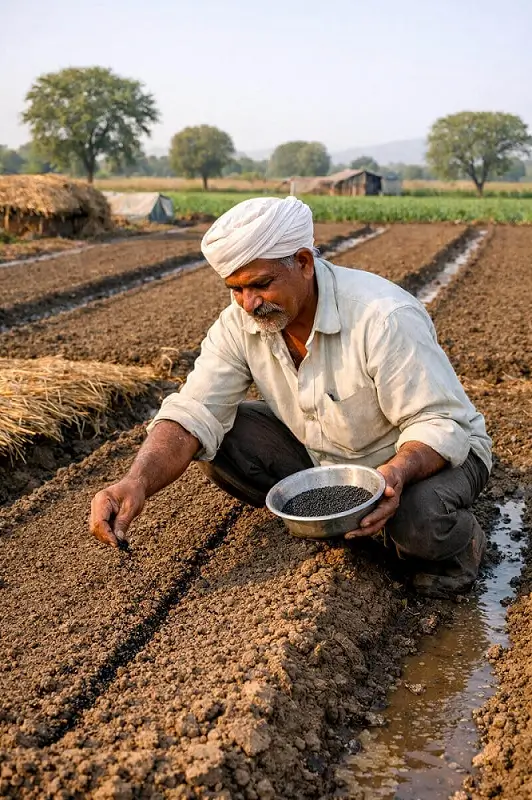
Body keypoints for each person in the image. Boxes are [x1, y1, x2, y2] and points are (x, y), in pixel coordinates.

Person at [90, 197, 491, 598]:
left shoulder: (382, 316)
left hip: (430, 456)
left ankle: (460, 545)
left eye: (261, 284)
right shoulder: (239, 325)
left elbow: (438, 424)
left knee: (418, 520)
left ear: (303, 262)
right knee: (216, 439)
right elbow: (194, 410)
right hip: (328, 458)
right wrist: (135, 482)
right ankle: (354, 525)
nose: (250, 303)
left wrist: (395, 475)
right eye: (236, 289)